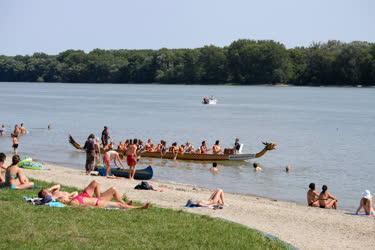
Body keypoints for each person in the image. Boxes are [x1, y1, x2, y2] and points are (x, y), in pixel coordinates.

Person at [39, 180, 150, 209]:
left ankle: (124, 203)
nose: (46, 191)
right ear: (45, 194)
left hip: (80, 196)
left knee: (95, 183)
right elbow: (48, 199)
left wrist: (49, 188)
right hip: (79, 199)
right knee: (113, 189)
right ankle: (101, 199)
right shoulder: (52, 197)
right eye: (45, 192)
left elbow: (57, 185)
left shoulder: (54, 191)